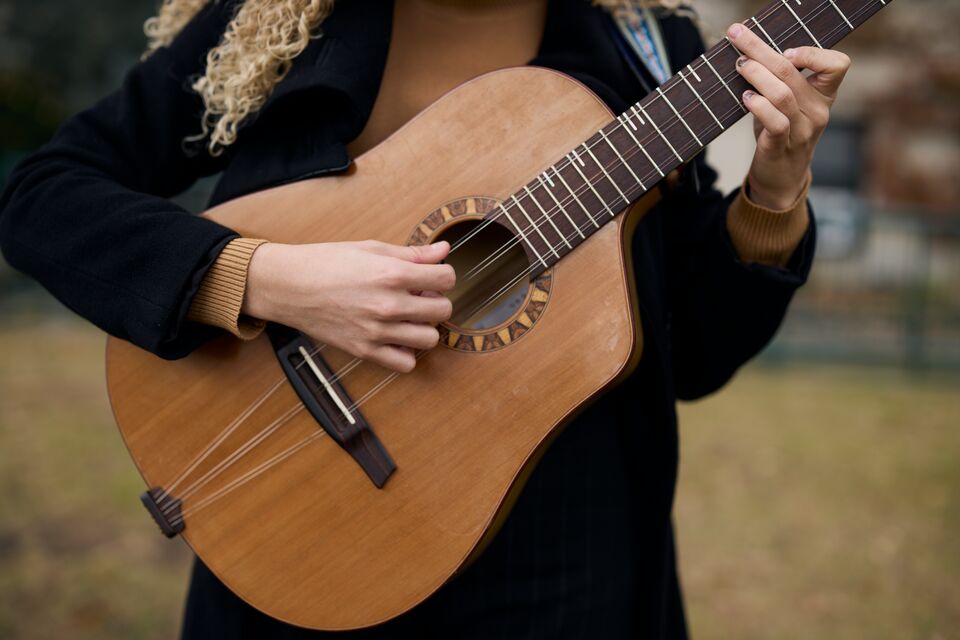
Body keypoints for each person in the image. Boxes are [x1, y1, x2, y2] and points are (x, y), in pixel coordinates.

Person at [0, 0, 851, 637]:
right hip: (298, 521)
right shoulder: (272, 21)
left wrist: (774, 195)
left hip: (564, 564)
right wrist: (265, 278)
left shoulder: (648, 45)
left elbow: (691, 354)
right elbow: (43, 196)